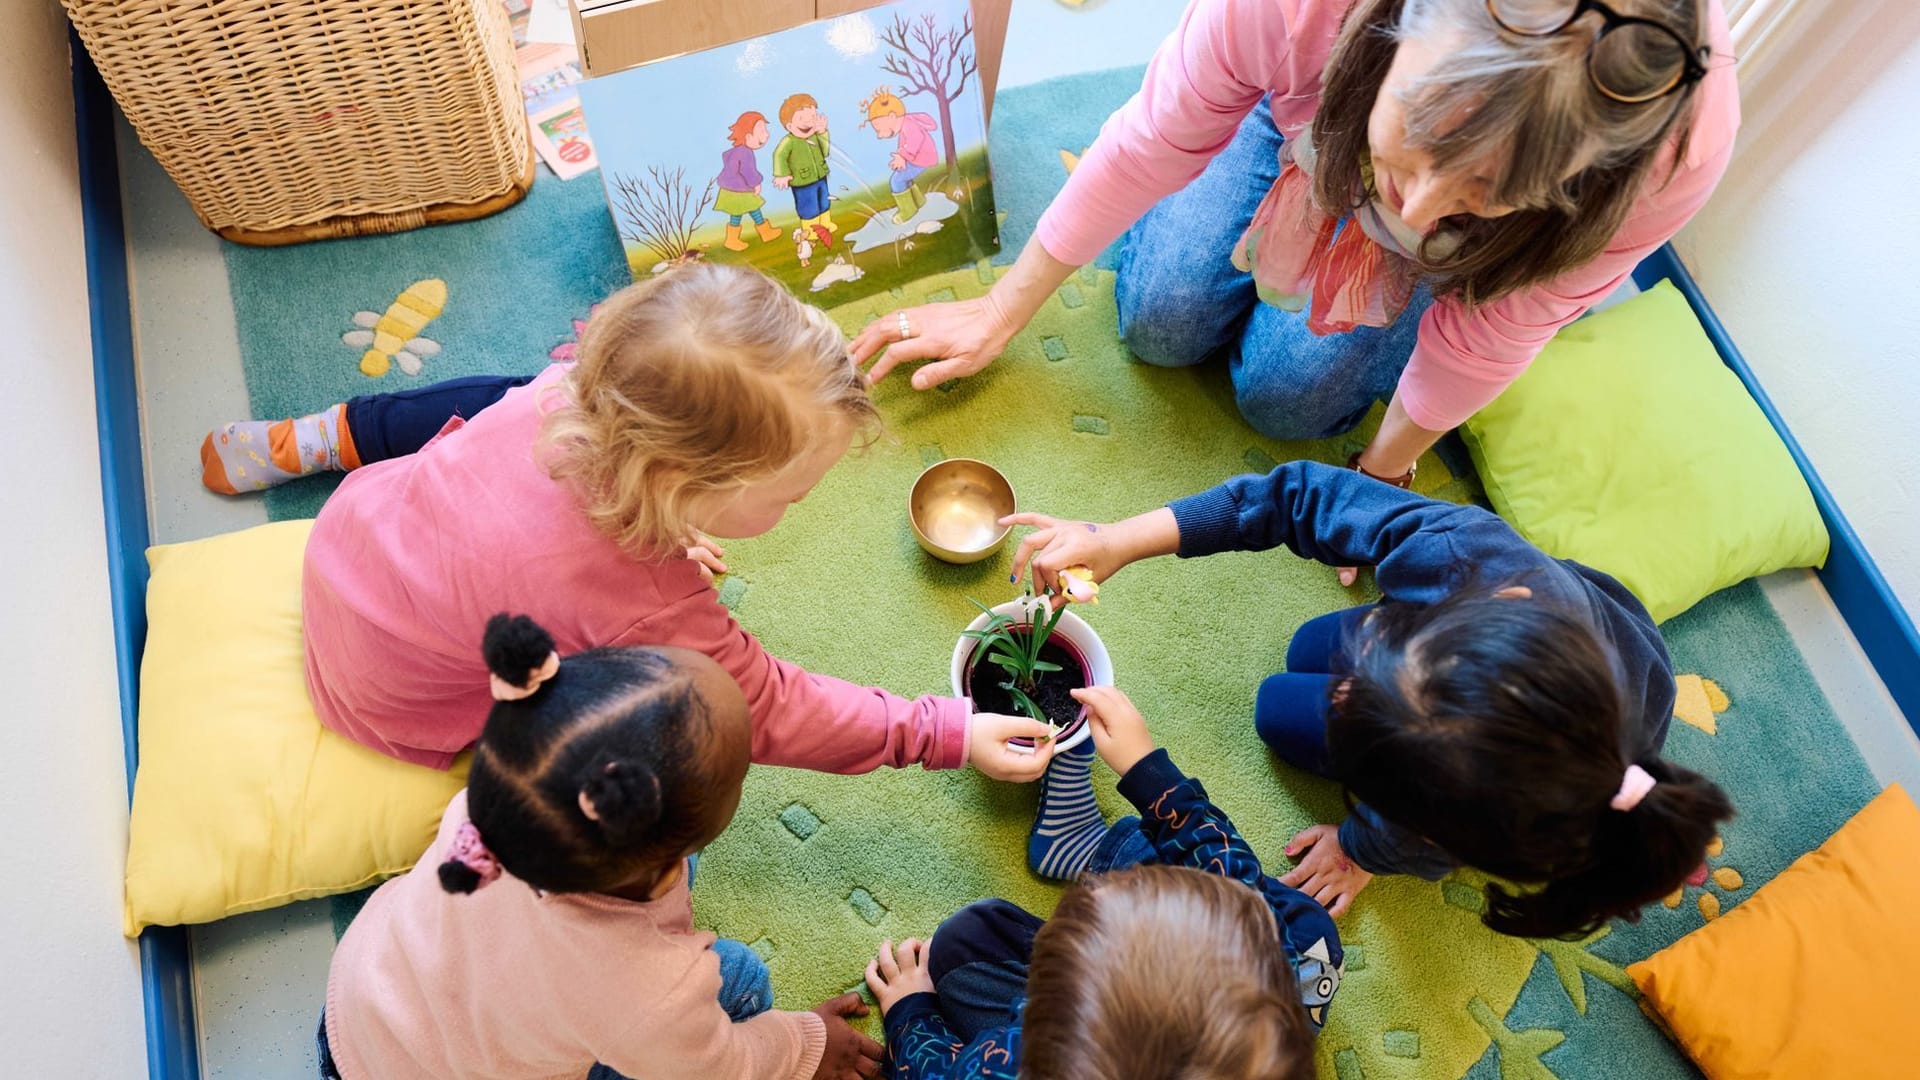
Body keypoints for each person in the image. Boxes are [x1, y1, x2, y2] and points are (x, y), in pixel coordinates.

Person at [199, 264, 1057, 782]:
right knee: (645, 761)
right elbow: (766, 707)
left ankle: (330, 432)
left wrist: (674, 524)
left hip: (346, 543)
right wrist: (943, 730)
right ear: (684, 485)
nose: (804, 508)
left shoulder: (569, 391)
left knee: (475, 404)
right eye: (792, 495)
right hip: (389, 701)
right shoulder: (648, 606)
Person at [853, 0, 1736, 497]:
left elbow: (1496, 328)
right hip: (1303, 110)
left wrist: (1382, 470)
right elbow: (1154, 141)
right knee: (1159, 323)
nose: (1419, 209)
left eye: (1483, 190)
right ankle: (1287, 120)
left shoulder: (1665, 164)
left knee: (1282, 401)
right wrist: (1005, 305)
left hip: (1412, 158)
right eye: (1420, 138)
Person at [1001, 460, 1734, 937]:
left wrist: (1361, 850)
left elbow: (1422, 835)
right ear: (1498, 599)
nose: (1345, 685)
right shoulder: (1468, 552)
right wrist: (1121, 539)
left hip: (1529, 722)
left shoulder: (1476, 821)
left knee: (1277, 709)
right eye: (1379, 663)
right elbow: (1295, 497)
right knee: (1303, 657)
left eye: (1362, 711)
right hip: (1558, 647)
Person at [319, 614, 884, 1080]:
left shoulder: (492, 803)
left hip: (358, 1006)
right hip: (431, 1065)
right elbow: (723, 1065)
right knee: (741, 978)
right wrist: (803, 1045)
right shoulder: (649, 991)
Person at [863, 685, 1341, 1079]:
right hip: (1281, 997)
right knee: (1295, 923)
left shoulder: (1026, 1061)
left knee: (960, 945)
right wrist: (1149, 775)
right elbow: (1235, 883)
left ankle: (1083, 847)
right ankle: (1087, 847)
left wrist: (912, 1015)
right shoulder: (1263, 973)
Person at [858, 87, 939, 223]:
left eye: (879, 127)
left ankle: (908, 210)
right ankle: (918, 201)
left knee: (897, 180)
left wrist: (902, 156)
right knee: (903, 176)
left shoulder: (908, 125)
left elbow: (915, 142)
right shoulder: (906, 123)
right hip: (918, 158)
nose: (879, 134)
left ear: (891, 116)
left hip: (922, 158)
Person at [773, 93, 836, 247]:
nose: (809, 123)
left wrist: (822, 133)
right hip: (802, 182)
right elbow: (779, 156)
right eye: (802, 119)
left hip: (820, 176)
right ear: (789, 126)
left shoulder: (815, 135)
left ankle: (825, 224)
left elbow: (825, 151)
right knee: (809, 207)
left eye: (813, 117)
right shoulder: (789, 142)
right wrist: (781, 174)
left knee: (824, 201)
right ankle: (811, 231)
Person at [717, 111, 784, 251]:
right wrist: (756, 183)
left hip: (736, 188)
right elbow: (748, 171)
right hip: (737, 190)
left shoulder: (739, 151)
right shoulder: (744, 152)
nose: (766, 135)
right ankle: (732, 239)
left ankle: (765, 232)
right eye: (761, 131)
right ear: (748, 136)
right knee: (738, 212)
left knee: (753, 208)